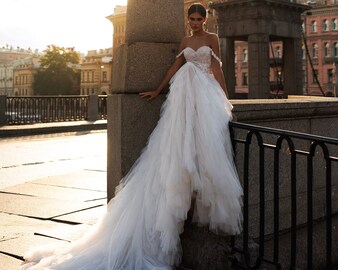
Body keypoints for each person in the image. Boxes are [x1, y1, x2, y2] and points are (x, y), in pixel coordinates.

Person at [21, 3, 243, 270]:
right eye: (192, 18)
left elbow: (216, 69)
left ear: (205, 19)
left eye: (199, 19)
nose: (195, 22)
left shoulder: (212, 39)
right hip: (182, 93)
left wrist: (224, 99)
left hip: (203, 92)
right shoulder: (185, 40)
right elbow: (174, 67)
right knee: (175, 141)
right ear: (187, 19)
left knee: (202, 141)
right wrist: (157, 88)